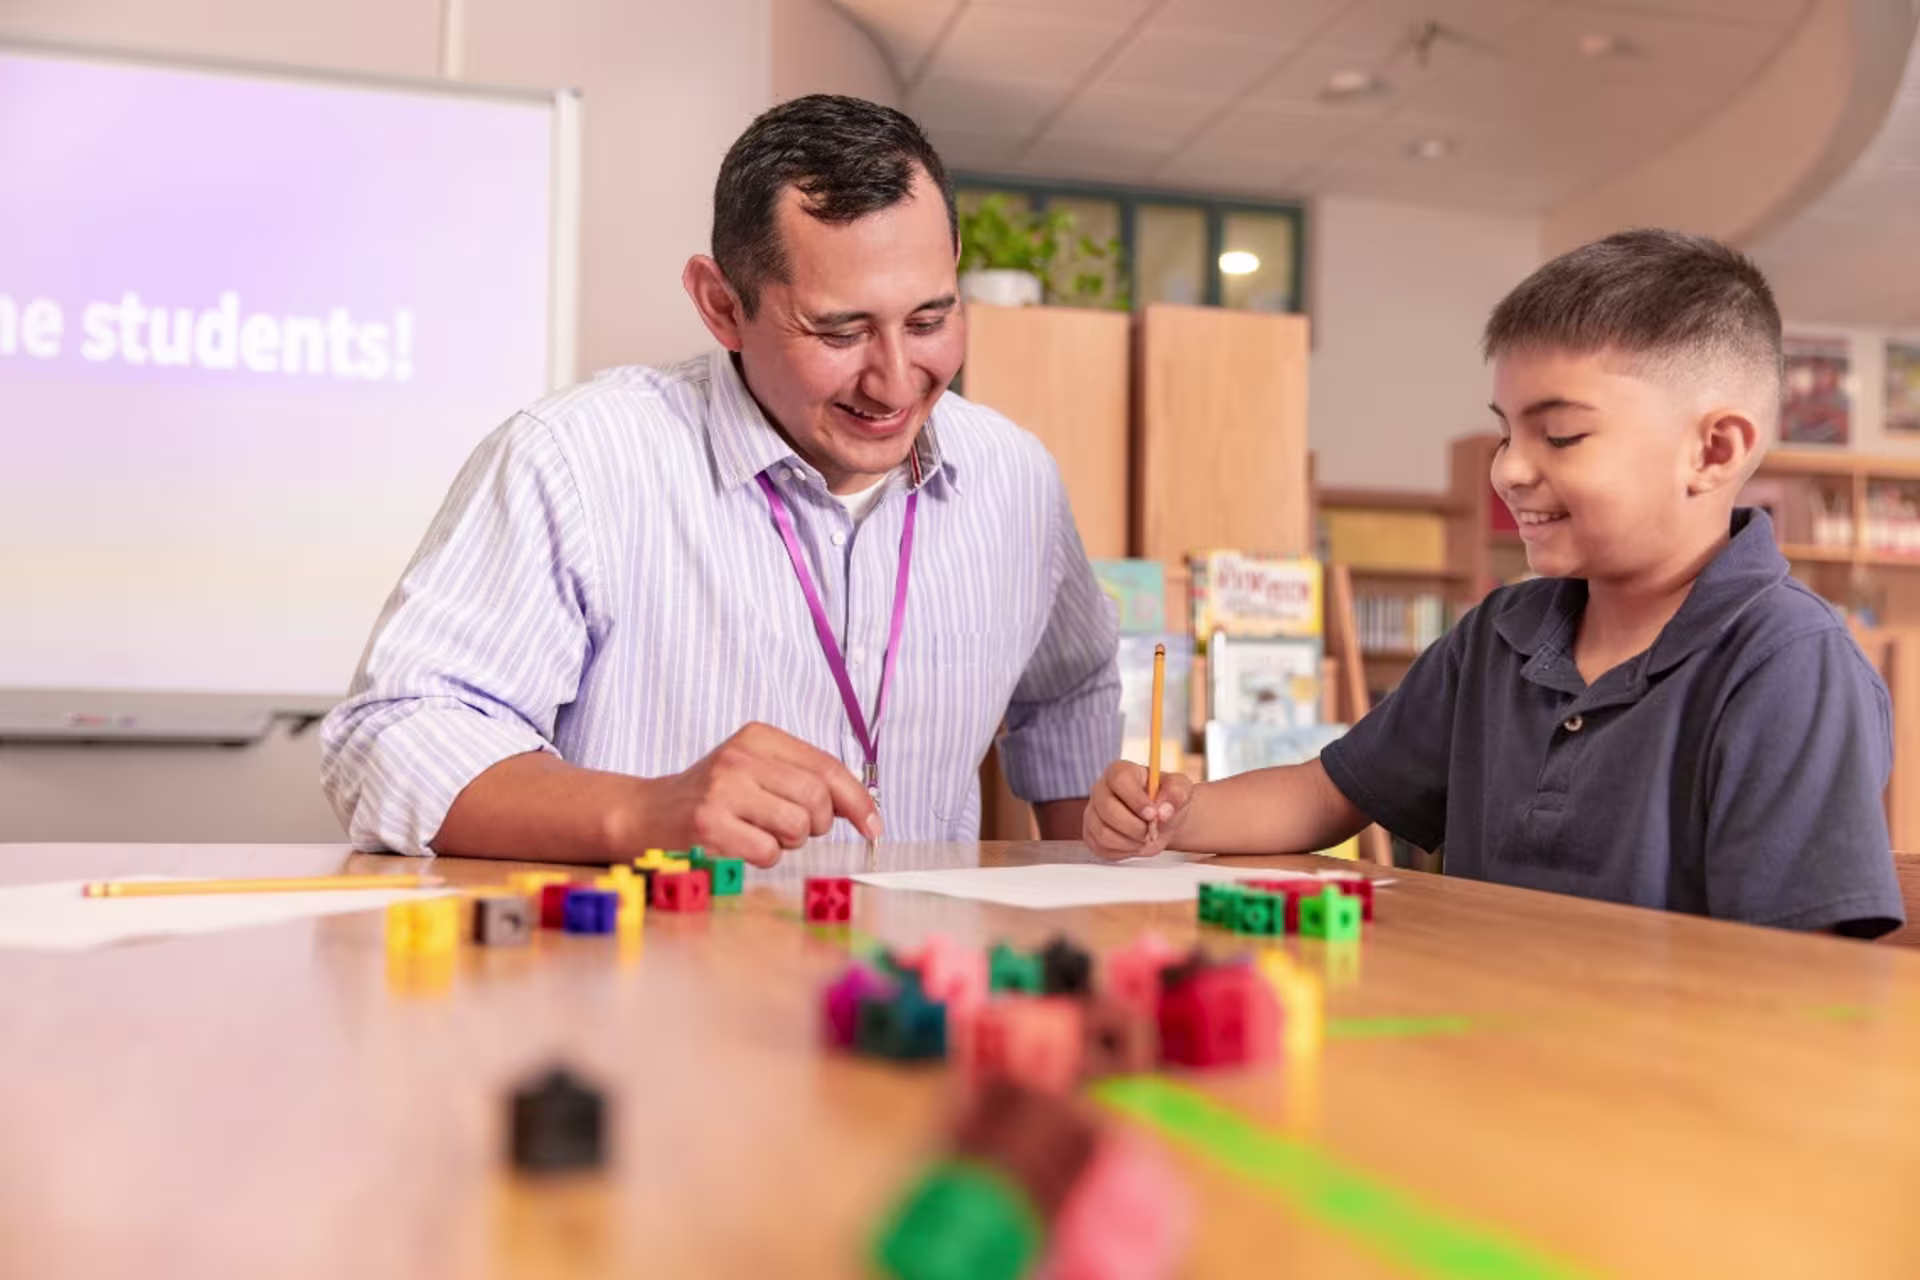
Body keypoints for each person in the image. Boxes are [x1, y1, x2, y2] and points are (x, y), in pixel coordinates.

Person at [322, 95, 1121, 866]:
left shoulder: (1015, 480)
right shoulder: (574, 461)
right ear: (720, 305)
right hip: (647, 987)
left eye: (928, 320)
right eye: (839, 330)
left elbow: (1071, 685)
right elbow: (392, 737)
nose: (894, 381)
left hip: (905, 993)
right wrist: (642, 812)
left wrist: (1089, 875)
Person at [1085, 229, 1904, 937]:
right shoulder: (1498, 634)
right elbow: (1325, 792)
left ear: (1714, 452)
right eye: (1505, 431)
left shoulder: (1788, 664)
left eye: (1561, 434)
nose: (1508, 469)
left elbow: (1801, 978)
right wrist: (1173, 813)